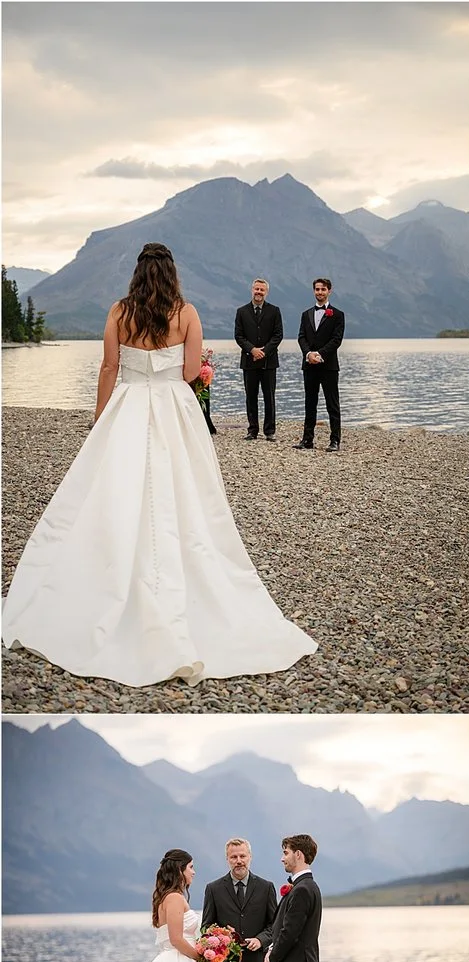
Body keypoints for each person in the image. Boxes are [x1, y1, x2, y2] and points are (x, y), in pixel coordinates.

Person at [0, 244, 317, 686]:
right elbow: (190, 371)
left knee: (117, 490)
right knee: (185, 495)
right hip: (173, 409)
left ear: (137, 273)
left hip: (127, 405)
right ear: (171, 274)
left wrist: (100, 419)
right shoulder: (186, 313)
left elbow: (109, 366)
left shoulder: (118, 311)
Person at [124, 850, 226, 962]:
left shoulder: (168, 897)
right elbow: (176, 939)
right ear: (180, 870)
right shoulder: (174, 898)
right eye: (191, 867)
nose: (194, 872)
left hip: (174, 960)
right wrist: (201, 958)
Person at [200, 838, 278, 962]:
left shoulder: (266, 887)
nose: (238, 860)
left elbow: (275, 926)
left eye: (242, 856)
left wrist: (260, 940)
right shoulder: (213, 889)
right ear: (227, 859)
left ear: (250, 857)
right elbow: (206, 928)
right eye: (233, 857)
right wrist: (222, 937)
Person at [264, 835, 323, 962]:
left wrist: (273, 958)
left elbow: (290, 932)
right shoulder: (303, 886)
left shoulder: (303, 889)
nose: (282, 858)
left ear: (298, 855)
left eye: (285, 852)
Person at [295, 278, 344, 450]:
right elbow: (301, 337)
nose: (320, 292)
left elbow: (336, 340)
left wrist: (320, 354)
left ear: (329, 291)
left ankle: (335, 440)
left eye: (323, 289)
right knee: (310, 402)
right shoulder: (306, 314)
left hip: (329, 365)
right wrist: (308, 354)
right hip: (309, 365)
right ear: (313, 291)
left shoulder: (337, 314)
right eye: (317, 289)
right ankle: (307, 439)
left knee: (332, 404)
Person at [233, 278, 283, 440]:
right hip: (249, 361)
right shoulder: (242, 311)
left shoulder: (274, 311)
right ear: (252, 290)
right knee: (251, 397)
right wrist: (252, 350)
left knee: (269, 397)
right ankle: (252, 430)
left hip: (269, 362)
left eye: (262, 290)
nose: (259, 292)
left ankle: (269, 431)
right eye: (256, 289)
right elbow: (239, 336)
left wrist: (264, 351)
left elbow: (278, 335)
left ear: (266, 292)